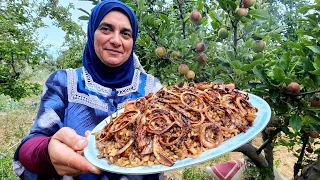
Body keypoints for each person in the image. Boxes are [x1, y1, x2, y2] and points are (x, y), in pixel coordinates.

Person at [13, 1, 163, 179]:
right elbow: (29, 147)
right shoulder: (63, 83)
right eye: (106, 29)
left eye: (125, 33)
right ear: (92, 33)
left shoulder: (152, 89)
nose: (116, 40)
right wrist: (47, 152)